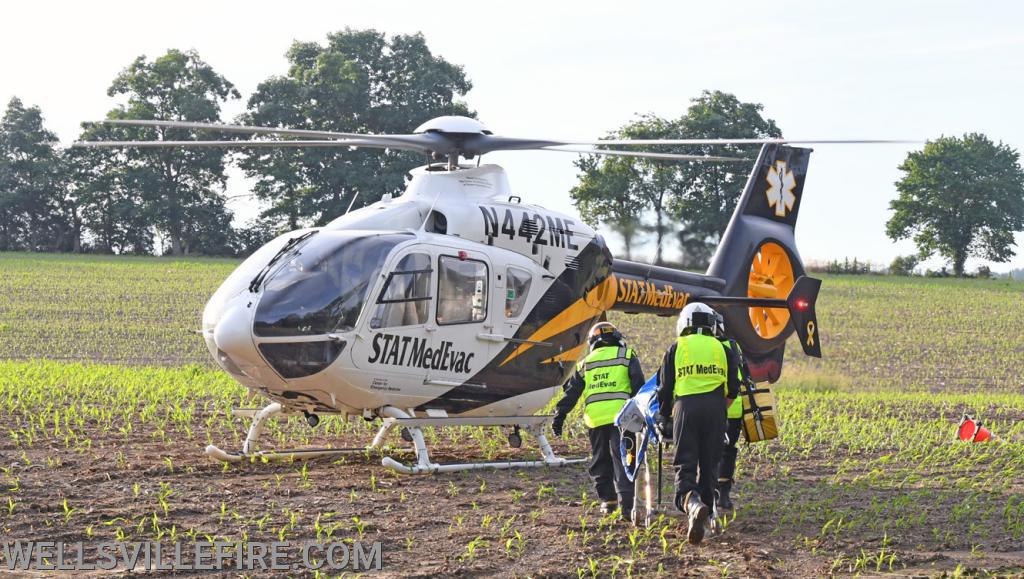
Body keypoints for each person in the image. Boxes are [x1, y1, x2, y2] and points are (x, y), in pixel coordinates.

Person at [656, 303, 739, 545]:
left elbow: (665, 389)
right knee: (710, 466)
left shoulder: (676, 348)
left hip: (686, 408)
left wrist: (665, 416)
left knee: (686, 464)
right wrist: (719, 410)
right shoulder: (723, 348)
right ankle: (705, 515)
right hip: (716, 408)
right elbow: (733, 387)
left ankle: (691, 502)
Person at [552, 322, 645, 519]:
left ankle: (608, 501)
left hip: (595, 420)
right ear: (617, 338)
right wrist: (644, 415)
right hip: (622, 419)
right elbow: (639, 387)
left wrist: (559, 415)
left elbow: (572, 393)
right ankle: (628, 506)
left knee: (600, 459)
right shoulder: (627, 356)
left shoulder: (585, 363)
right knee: (624, 459)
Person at [718, 334, 752, 511]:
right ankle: (723, 495)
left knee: (708, 451)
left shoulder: (709, 348)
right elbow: (745, 374)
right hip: (734, 409)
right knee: (728, 451)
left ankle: (711, 491)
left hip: (715, 409)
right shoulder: (733, 345)